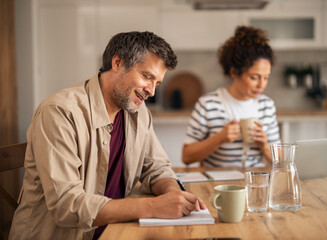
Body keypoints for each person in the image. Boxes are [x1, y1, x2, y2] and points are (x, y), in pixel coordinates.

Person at [10, 31, 206, 240]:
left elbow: (156, 168)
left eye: (156, 83)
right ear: (117, 63)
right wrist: (152, 206)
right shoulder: (59, 112)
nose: (152, 92)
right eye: (147, 77)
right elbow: (66, 204)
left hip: (115, 232)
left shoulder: (138, 113)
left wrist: (171, 194)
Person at [182, 26, 280, 168]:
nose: (261, 85)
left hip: (255, 183)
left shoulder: (267, 105)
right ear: (234, 72)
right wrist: (219, 138)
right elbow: (186, 157)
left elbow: (281, 161)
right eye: (254, 77)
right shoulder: (208, 104)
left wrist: (264, 145)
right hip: (217, 184)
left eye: (266, 78)